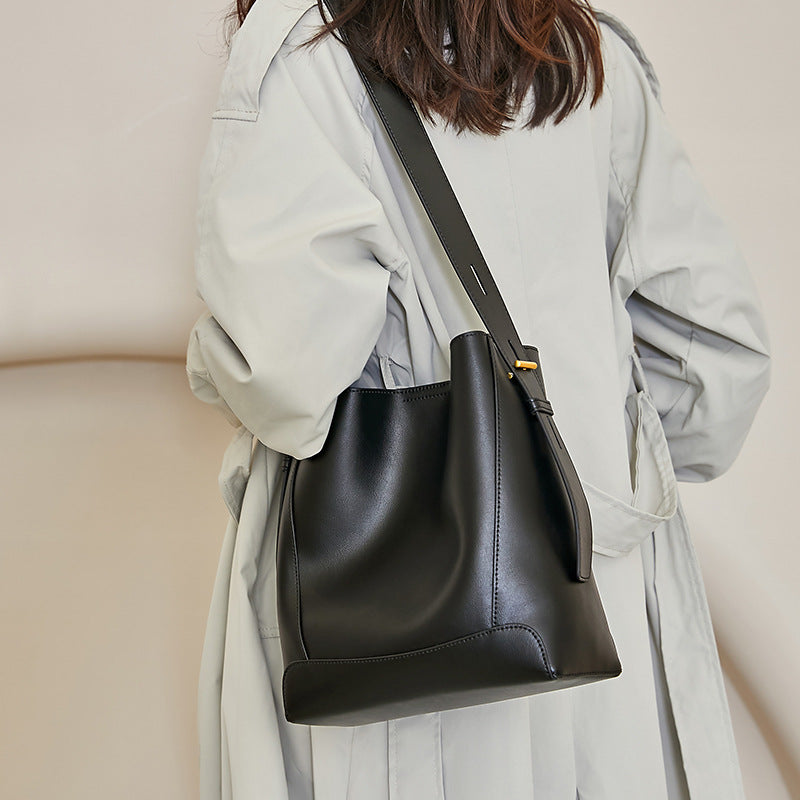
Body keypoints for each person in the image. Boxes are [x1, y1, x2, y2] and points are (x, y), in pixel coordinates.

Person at [184, 0, 772, 797]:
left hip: (394, 627)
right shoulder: (584, 57)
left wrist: (208, 362)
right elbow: (718, 375)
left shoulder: (307, 61)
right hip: (601, 615)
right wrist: (568, 469)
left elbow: (286, 380)